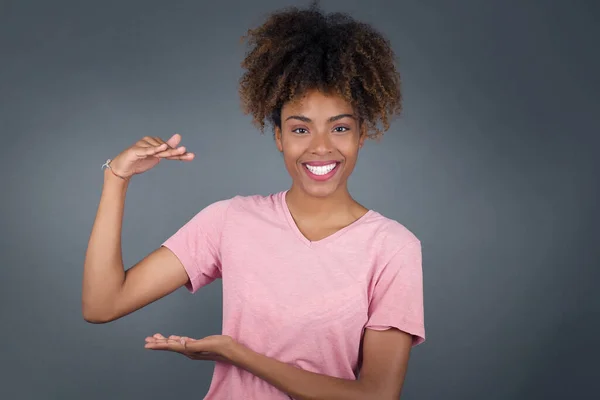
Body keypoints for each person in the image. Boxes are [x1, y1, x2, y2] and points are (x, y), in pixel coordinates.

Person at [83, 3, 425, 399]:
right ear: (278, 136)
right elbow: (102, 304)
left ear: (361, 135)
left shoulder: (393, 248)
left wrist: (238, 355)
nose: (320, 147)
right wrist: (116, 178)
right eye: (300, 129)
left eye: (340, 127)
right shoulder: (230, 220)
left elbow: (377, 396)